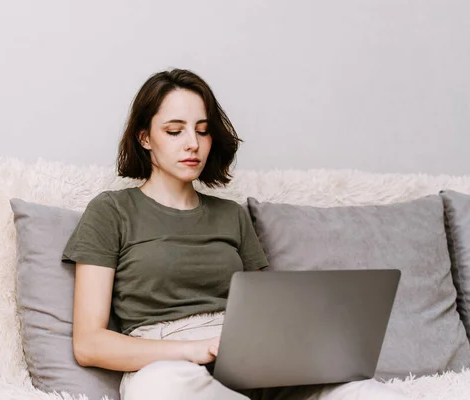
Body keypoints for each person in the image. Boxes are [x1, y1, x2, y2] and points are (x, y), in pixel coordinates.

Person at [63, 69, 409, 400]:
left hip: (248, 354)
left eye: (202, 130)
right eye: (174, 131)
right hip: (167, 361)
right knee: (163, 388)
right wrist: (194, 350)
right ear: (145, 138)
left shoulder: (231, 215)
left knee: (365, 392)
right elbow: (89, 343)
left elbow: (265, 310)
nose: (192, 144)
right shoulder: (112, 210)